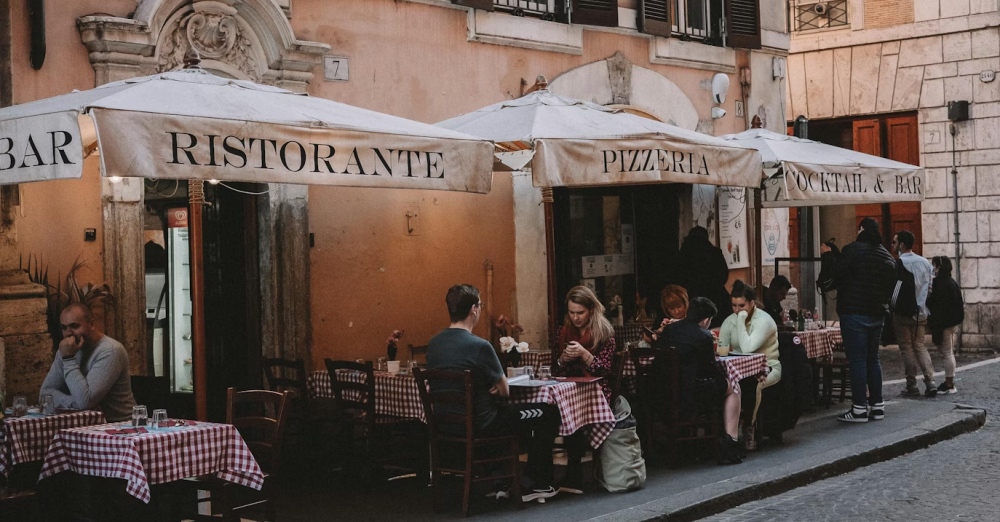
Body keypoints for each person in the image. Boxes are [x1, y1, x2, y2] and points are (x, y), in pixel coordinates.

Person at [425, 284, 560, 503]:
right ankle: (537, 483)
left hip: (446, 426)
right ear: (474, 310)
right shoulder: (480, 346)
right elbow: (505, 391)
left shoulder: (434, 344)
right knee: (547, 412)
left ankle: (502, 481)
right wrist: (495, 386)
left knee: (503, 414)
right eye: (479, 305)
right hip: (483, 425)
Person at [818, 217, 896, 423]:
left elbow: (837, 272)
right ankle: (877, 405)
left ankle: (859, 408)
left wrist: (828, 255)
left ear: (861, 230)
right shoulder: (885, 253)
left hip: (854, 312)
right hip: (877, 313)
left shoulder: (853, 250)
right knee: (873, 359)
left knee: (858, 361)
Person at [656, 297, 742, 464]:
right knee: (732, 386)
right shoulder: (703, 336)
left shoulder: (669, 331)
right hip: (690, 394)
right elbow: (710, 370)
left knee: (720, 385)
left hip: (664, 392)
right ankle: (730, 440)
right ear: (705, 320)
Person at [553, 286, 616, 494]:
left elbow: (605, 369)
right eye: (572, 313)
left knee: (575, 409)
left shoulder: (604, 332)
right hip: (572, 389)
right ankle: (563, 472)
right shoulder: (563, 331)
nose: (575, 317)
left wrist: (584, 354)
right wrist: (563, 359)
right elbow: (557, 369)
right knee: (553, 410)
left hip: (597, 390)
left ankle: (574, 470)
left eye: (580, 313)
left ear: (591, 310)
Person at [39, 302, 136, 422]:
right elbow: (45, 394)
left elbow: (85, 401)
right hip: (84, 426)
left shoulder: (110, 350)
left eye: (74, 326)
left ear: (91, 324)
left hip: (119, 427)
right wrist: (74, 403)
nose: (68, 333)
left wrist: (69, 359)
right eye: (64, 327)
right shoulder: (66, 350)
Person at [717, 280, 779, 451]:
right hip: (741, 368)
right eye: (734, 306)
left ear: (752, 303)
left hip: (768, 367)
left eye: (741, 306)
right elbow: (721, 349)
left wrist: (740, 321)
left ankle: (749, 426)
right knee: (726, 383)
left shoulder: (763, 320)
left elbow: (747, 347)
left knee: (752, 383)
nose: (737, 310)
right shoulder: (729, 320)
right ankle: (727, 430)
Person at [892, 230, 937, 397]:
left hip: (903, 312)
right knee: (919, 345)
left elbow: (894, 289)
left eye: (894, 242)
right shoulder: (925, 262)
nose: (893, 245)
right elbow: (930, 286)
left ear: (902, 244)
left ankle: (911, 384)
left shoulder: (898, 264)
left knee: (907, 348)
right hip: (922, 311)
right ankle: (930, 380)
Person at [675, 226, 731, 328]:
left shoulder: (683, 253)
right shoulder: (714, 252)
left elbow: (678, 276)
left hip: (690, 296)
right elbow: (723, 275)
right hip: (715, 297)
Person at [926, 256, 964, 394]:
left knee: (946, 353)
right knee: (948, 352)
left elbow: (935, 304)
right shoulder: (951, 282)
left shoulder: (939, 284)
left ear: (939, 267)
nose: (933, 268)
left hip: (944, 323)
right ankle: (949, 382)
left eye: (934, 266)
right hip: (951, 322)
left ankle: (949, 384)